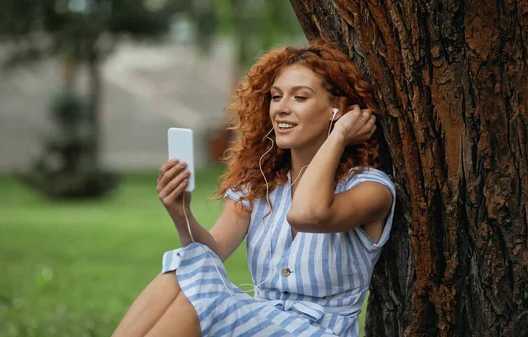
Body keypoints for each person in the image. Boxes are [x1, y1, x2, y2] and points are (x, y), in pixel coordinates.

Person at [111, 41, 396, 337]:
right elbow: (210, 255)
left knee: (208, 302)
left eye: (300, 97)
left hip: (321, 331)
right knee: (185, 266)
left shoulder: (371, 188)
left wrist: (338, 137)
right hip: (259, 320)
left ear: (338, 110)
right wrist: (180, 212)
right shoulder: (260, 183)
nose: (282, 109)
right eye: (275, 97)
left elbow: (308, 215)